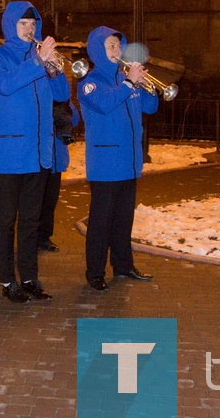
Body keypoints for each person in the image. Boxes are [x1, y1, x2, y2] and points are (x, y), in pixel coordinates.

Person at [0, 1, 68, 303]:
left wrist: (54, 69)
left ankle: (30, 277)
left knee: (31, 220)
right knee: (6, 220)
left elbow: (62, 96)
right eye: (23, 24)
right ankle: (8, 281)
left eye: (33, 24)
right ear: (10, 26)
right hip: (10, 153)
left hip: (38, 153)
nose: (29, 29)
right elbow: (5, 85)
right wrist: (36, 64)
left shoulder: (39, 58)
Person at [77, 26, 158, 292]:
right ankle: (95, 272)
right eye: (110, 46)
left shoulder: (127, 80)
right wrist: (129, 83)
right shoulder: (89, 82)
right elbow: (104, 103)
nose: (116, 51)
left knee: (124, 219)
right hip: (105, 162)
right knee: (101, 222)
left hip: (129, 161)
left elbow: (150, 108)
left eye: (117, 45)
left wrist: (149, 87)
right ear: (98, 50)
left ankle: (123, 265)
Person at [39, 83, 78, 253]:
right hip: (40, 160)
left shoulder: (64, 101)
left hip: (57, 160)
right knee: (36, 202)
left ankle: (45, 236)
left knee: (49, 203)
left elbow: (75, 120)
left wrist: (64, 106)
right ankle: (32, 236)